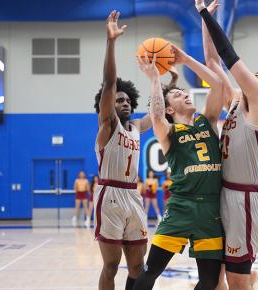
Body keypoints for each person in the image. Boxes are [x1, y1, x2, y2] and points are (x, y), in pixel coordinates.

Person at [197, 1, 258, 289]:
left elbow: (228, 56)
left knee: (237, 280)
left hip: (246, 200)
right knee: (214, 277)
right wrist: (206, 19)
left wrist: (204, 13)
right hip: (224, 193)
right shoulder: (237, 102)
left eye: (254, 77)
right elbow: (213, 61)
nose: (247, 78)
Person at [134, 35, 225, 290]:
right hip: (181, 207)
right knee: (150, 272)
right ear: (170, 110)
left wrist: (185, 59)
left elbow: (218, 85)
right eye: (176, 95)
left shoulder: (207, 121)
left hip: (210, 209)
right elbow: (155, 114)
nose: (184, 94)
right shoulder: (168, 132)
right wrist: (154, 79)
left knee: (208, 281)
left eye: (184, 92)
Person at [92, 10, 152, 290]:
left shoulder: (137, 127)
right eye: (119, 100)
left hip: (132, 194)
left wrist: (165, 80)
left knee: (139, 266)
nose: (124, 103)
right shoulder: (107, 125)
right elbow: (109, 82)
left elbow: (159, 113)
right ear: (108, 105)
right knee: (111, 265)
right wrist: (111, 42)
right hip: (110, 195)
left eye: (128, 100)